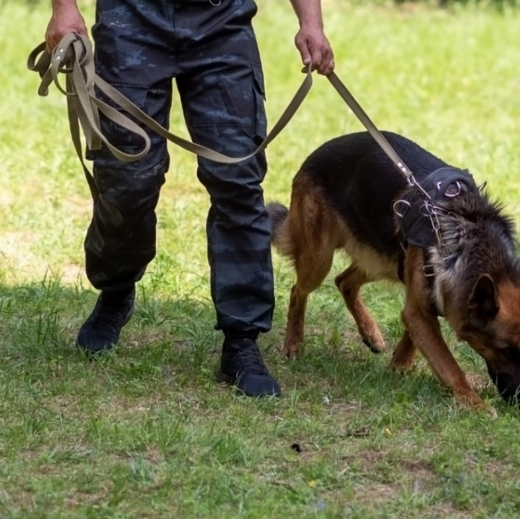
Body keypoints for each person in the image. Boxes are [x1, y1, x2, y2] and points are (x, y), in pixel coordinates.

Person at [44, 0, 334, 397]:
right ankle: (116, 288)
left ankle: (241, 341)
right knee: (126, 179)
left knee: (238, 181)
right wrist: (64, 9)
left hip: (221, 21)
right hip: (130, 16)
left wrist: (311, 22)